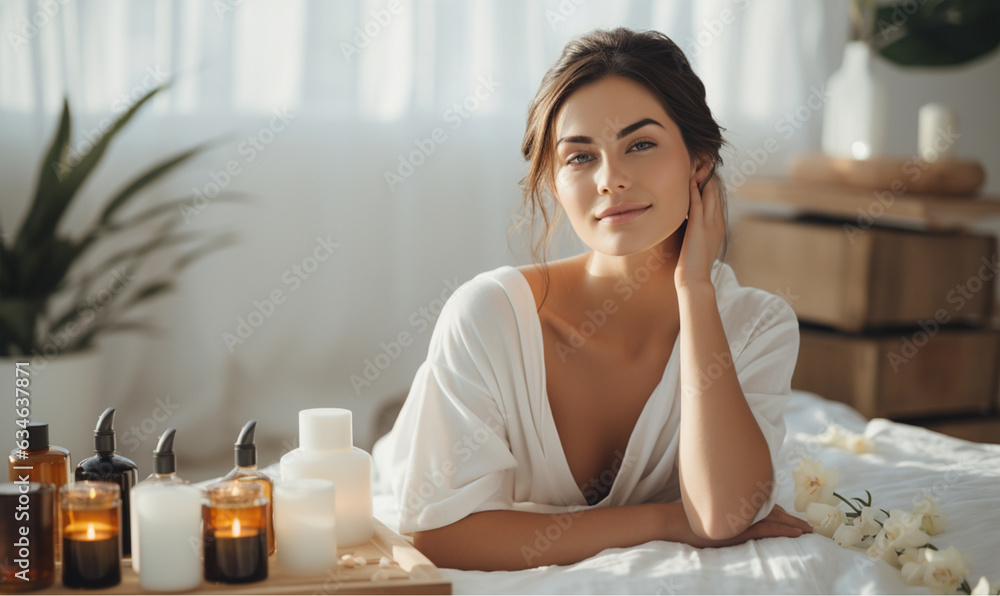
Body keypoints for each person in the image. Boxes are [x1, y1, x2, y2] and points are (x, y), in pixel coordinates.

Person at [372, 27, 811, 572]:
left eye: (641, 144)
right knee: (395, 449)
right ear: (554, 182)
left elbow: (722, 515)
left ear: (700, 162)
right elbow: (440, 534)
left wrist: (696, 290)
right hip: (411, 447)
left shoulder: (756, 324)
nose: (611, 179)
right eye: (580, 157)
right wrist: (667, 520)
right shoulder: (488, 315)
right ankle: (395, 422)